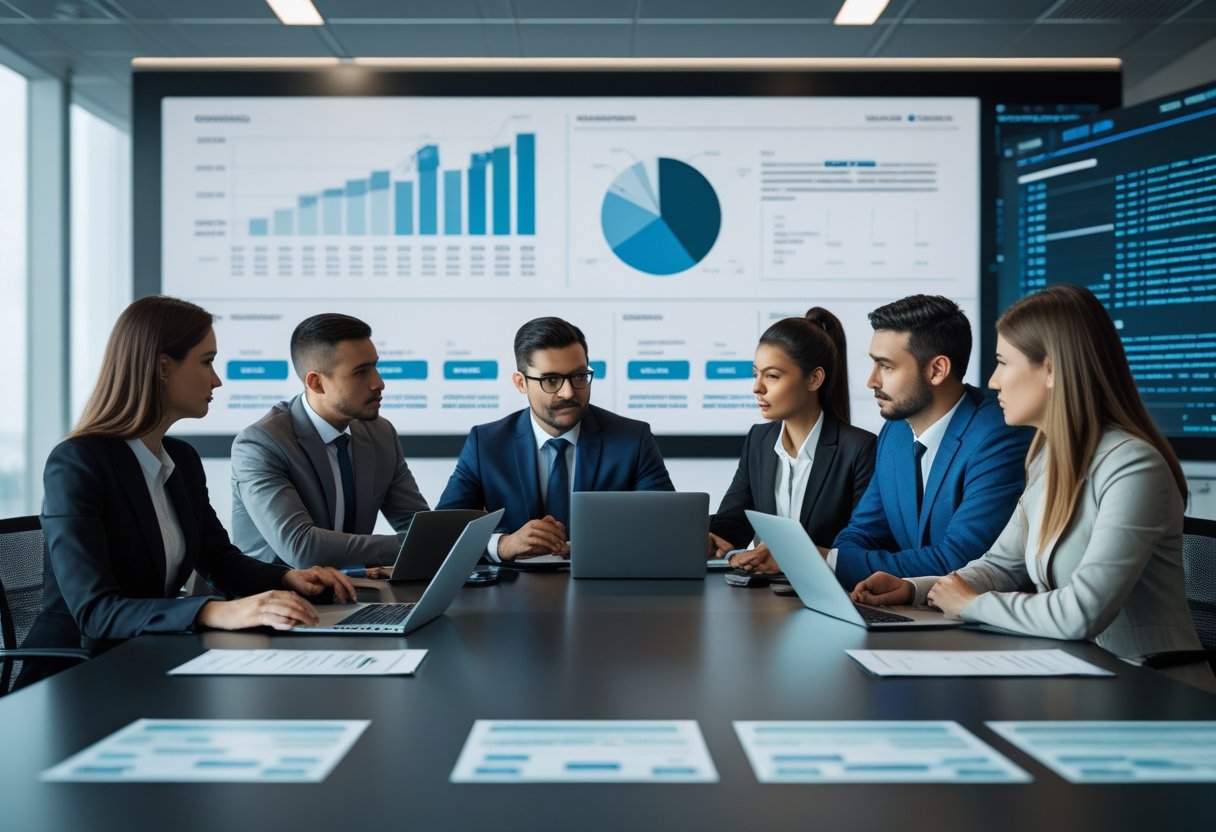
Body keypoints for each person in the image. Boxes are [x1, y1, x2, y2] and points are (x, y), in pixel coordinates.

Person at [852, 284, 1215, 692]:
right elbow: (1001, 565)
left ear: (1052, 370)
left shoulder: (1132, 465)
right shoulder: (1048, 459)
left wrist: (973, 605)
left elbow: (1081, 611)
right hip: (1077, 678)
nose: (993, 381)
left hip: (1152, 690)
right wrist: (915, 590)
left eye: (1004, 363)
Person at [19, 297, 354, 688]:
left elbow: (220, 560)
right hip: (76, 677)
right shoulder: (78, 463)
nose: (217, 380)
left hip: (148, 661)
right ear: (163, 367)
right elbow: (95, 612)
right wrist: (215, 612)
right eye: (206, 361)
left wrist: (287, 579)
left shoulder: (180, 459)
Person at [827, 295, 1032, 588]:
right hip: (911, 610)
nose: (871, 381)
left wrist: (832, 562)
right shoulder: (895, 431)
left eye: (886, 366)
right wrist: (839, 559)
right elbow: (862, 532)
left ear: (937, 370)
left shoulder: (998, 436)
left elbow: (960, 560)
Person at [436, 316, 674, 561]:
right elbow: (441, 536)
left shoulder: (633, 440)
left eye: (579, 376)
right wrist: (503, 545)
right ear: (521, 383)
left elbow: (667, 529)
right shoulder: (485, 443)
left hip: (604, 591)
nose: (568, 392)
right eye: (551, 380)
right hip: (513, 593)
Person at [230, 313, 429, 569]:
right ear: (316, 383)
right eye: (360, 372)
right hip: (278, 599)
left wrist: (433, 541)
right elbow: (303, 549)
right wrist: (413, 545)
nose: (378, 383)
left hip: (354, 593)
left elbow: (421, 527)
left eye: (375, 366)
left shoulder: (381, 433)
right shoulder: (260, 444)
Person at [709, 308, 876, 572]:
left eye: (772, 376)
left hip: (830, 595)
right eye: (756, 374)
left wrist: (790, 557)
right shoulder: (759, 440)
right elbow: (733, 523)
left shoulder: (859, 449)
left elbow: (862, 545)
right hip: (764, 597)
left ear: (814, 378)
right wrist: (712, 539)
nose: (757, 387)